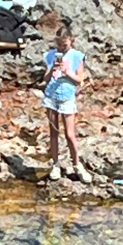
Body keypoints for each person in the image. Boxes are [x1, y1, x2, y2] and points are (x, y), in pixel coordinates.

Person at [41, 25, 92, 183]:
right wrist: (53, 69)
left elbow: (79, 80)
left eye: (65, 45)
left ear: (71, 41)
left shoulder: (77, 56)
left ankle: (77, 165)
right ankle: (55, 164)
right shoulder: (51, 55)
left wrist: (66, 71)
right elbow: (46, 78)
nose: (62, 48)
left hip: (67, 97)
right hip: (51, 97)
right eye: (59, 44)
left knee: (70, 134)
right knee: (54, 132)